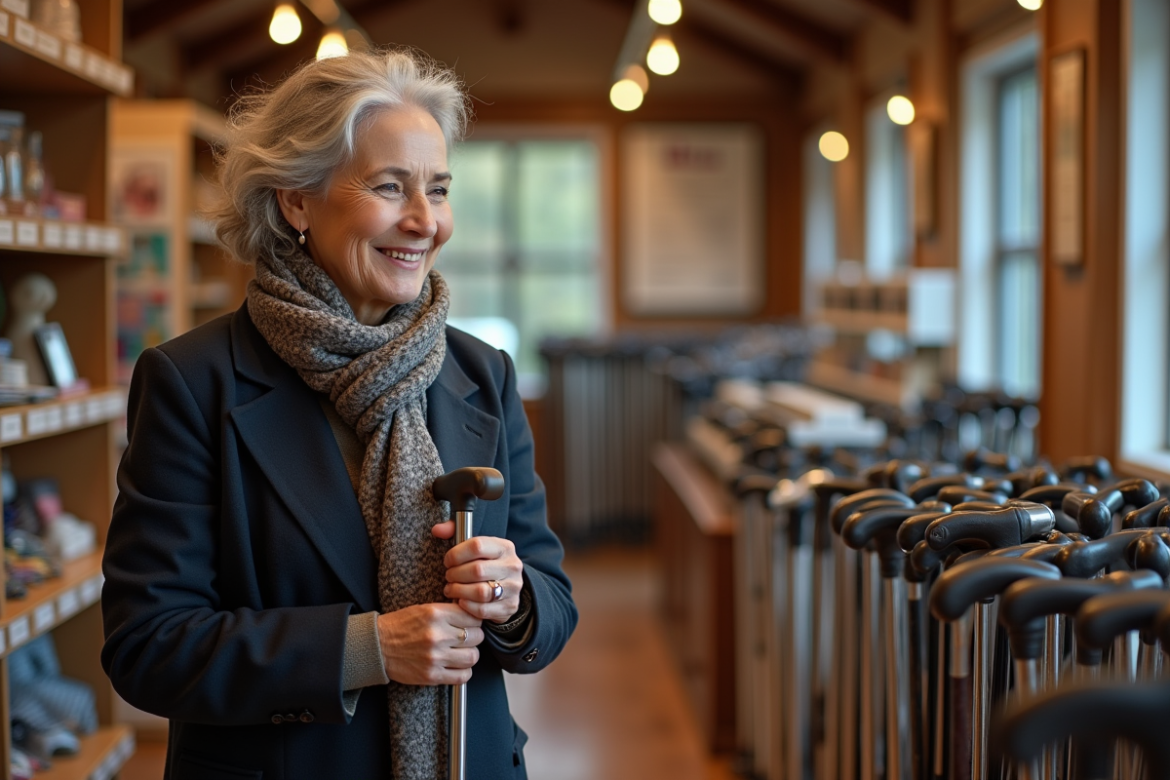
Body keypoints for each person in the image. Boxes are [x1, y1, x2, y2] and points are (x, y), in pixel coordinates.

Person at [101, 48, 577, 780]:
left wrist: (513, 599)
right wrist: (369, 650)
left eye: (439, 190)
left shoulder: (482, 373)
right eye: (391, 187)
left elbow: (553, 598)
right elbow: (149, 646)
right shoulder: (193, 382)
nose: (426, 222)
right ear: (296, 199)